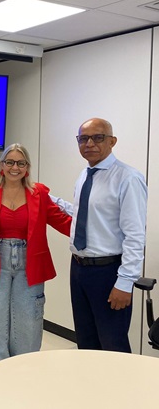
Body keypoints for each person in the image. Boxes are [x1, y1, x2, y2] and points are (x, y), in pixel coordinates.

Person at [0, 143, 72, 364]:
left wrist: (96, 234)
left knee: (28, 322)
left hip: (30, 264)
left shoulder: (38, 192)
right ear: (2, 165)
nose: (15, 167)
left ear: (27, 167)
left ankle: (24, 370)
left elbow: (63, 221)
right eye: (10, 162)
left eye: (21, 163)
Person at [69, 118, 147, 352]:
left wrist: (125, 282)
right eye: (83, 138)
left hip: (108, 272)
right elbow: (85, 213)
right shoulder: (85, 174)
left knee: (113, 345)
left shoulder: (128, 178)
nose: (89, 144)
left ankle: (120, 379)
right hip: (79, 269)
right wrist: (46, 198)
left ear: (112, 141)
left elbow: (135, 236)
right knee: (86, 341)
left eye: (98, 137)